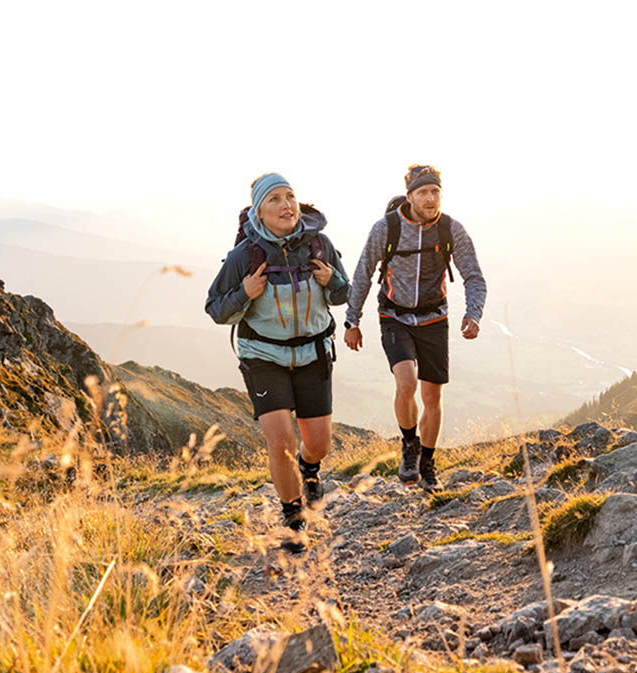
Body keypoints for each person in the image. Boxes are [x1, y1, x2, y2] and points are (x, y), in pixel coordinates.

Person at [206, 173, 350, 551]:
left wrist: (332, 280)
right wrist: (244, 293)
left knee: (317, 444)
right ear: (259, 211)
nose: (287, 205)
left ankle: (310, 468)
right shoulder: (245, 256)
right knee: (281, 440)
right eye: (275, 199)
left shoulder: (320, 244)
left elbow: (343, 293)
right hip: (263, 355)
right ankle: (292, 518)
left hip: (313, 352)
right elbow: (215, 308)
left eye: (291, 197)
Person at [344, 164, 486, 492]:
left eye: (435, 191)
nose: (430, 198)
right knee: (406, 383)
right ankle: (410, 445)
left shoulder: (451, 229)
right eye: (423, 192)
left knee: (432, 394)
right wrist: (353, 320)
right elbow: (363, 273)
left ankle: (428, 462)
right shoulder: (387, 228)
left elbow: (474, 276)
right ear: (409, 196)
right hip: (394, 316)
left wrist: (474, 314)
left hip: (434, 317)